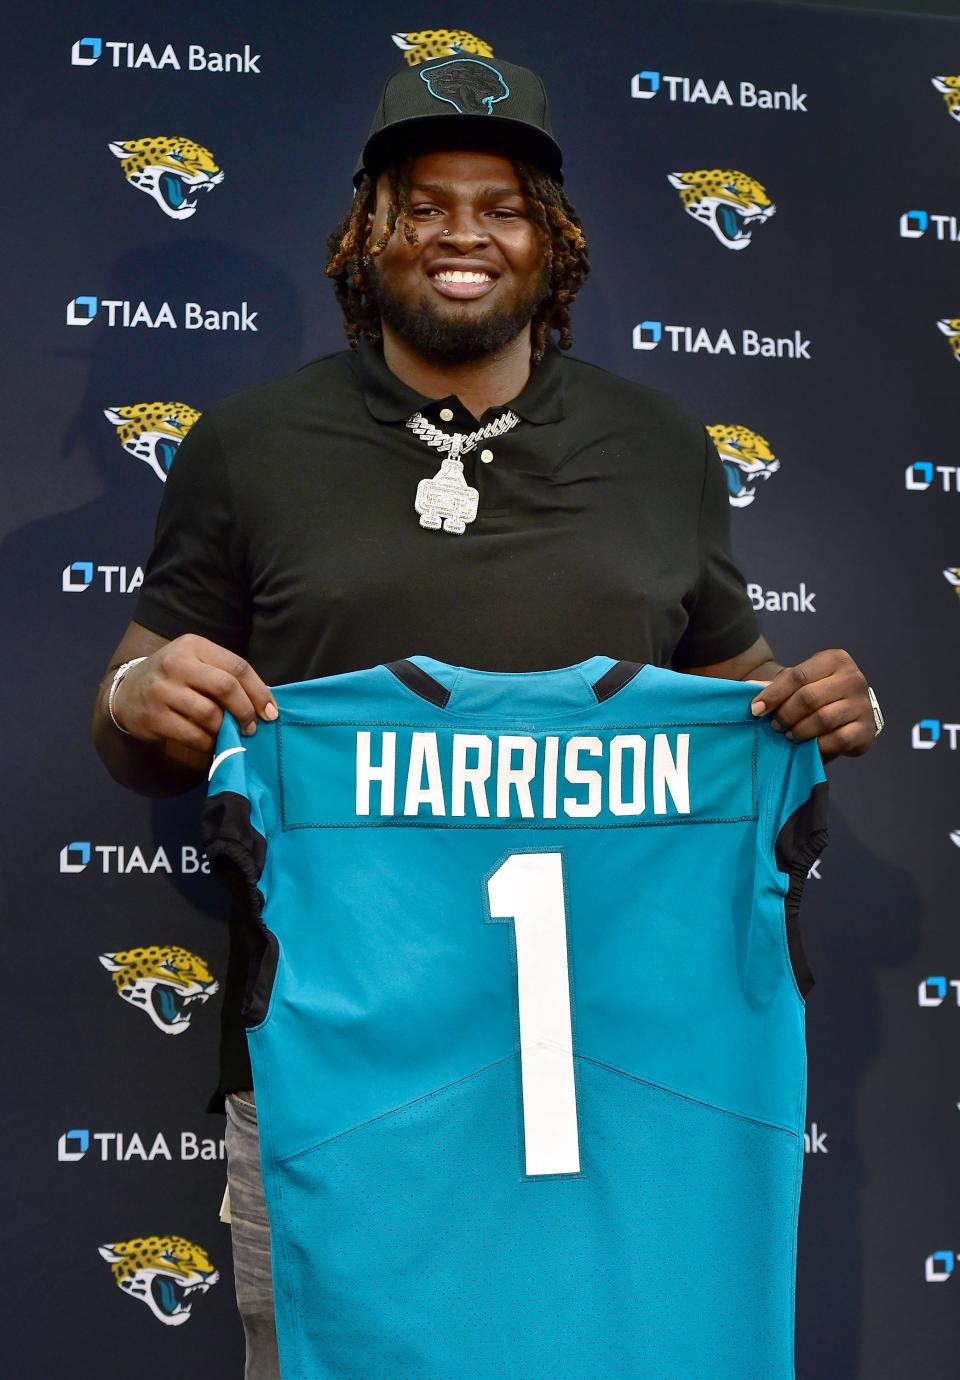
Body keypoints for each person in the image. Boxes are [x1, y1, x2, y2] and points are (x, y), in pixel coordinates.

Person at [92, 53, 880, 1379]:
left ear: (551, 242)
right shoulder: (250, 442)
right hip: (348, 1079)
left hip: (623, 1080)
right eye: (423, 202)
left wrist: (809, 704)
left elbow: (742, 694)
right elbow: (127, 720)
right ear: (369, 234)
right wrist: (138, 693)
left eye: (502, 204)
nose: (462, 232)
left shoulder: (662, 446)